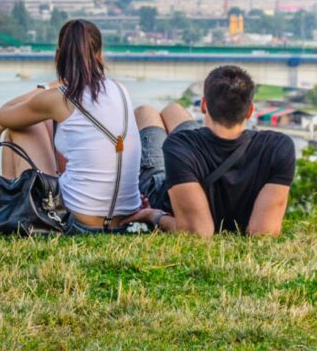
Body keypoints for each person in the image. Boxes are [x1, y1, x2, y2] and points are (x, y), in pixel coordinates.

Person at [0, 19, 142, 234]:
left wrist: (53, 85)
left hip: (78, 222)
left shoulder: (59, 98)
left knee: (18, 129)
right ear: (100, 55)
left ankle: (11, 213)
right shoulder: (121, 90)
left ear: (57, 56)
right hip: (124, 220)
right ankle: (13, 213)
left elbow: (5, 114)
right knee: (44, 122)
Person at [125, 65, 295, 236]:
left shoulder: (179, 144)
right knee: (173, 109)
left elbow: (197, 231)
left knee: (145, 111)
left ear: (204, 105)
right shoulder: (278, 147)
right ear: (250, 110)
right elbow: (263, 232)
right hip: (190, 157)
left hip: (167, 187)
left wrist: (152, 215)